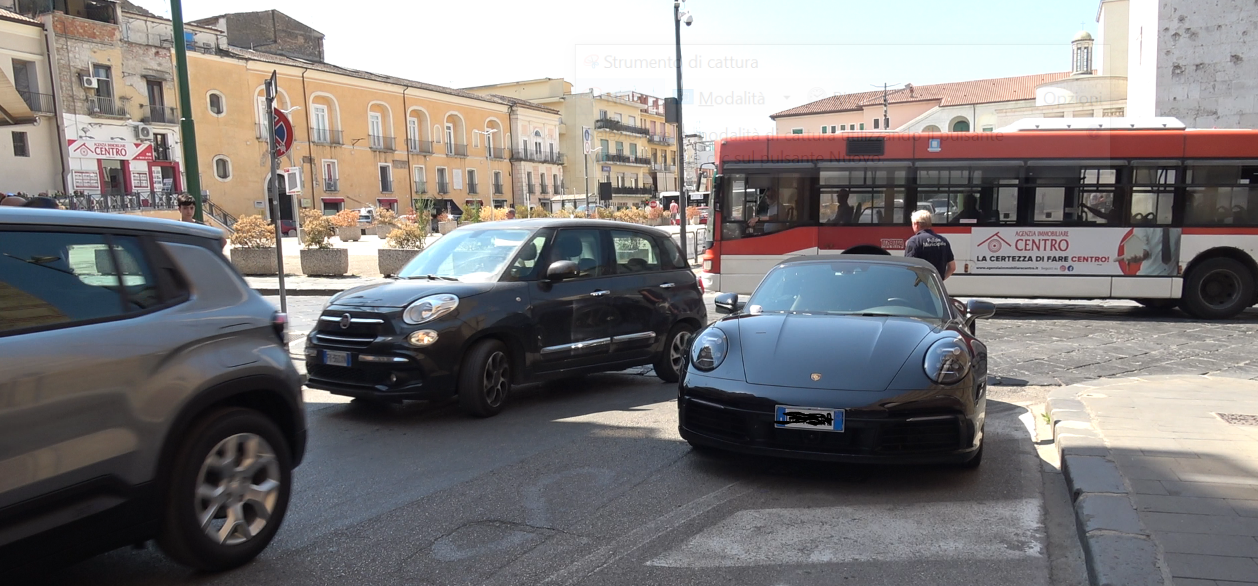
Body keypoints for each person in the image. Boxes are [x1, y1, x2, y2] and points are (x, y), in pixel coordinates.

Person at [905, 209, 956, 280]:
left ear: (916, 224)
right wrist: (940, 281)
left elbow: (909, 267)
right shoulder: (943, 240)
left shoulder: (914, 241)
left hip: (920, 284)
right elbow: (952, 267)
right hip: (935, 285)